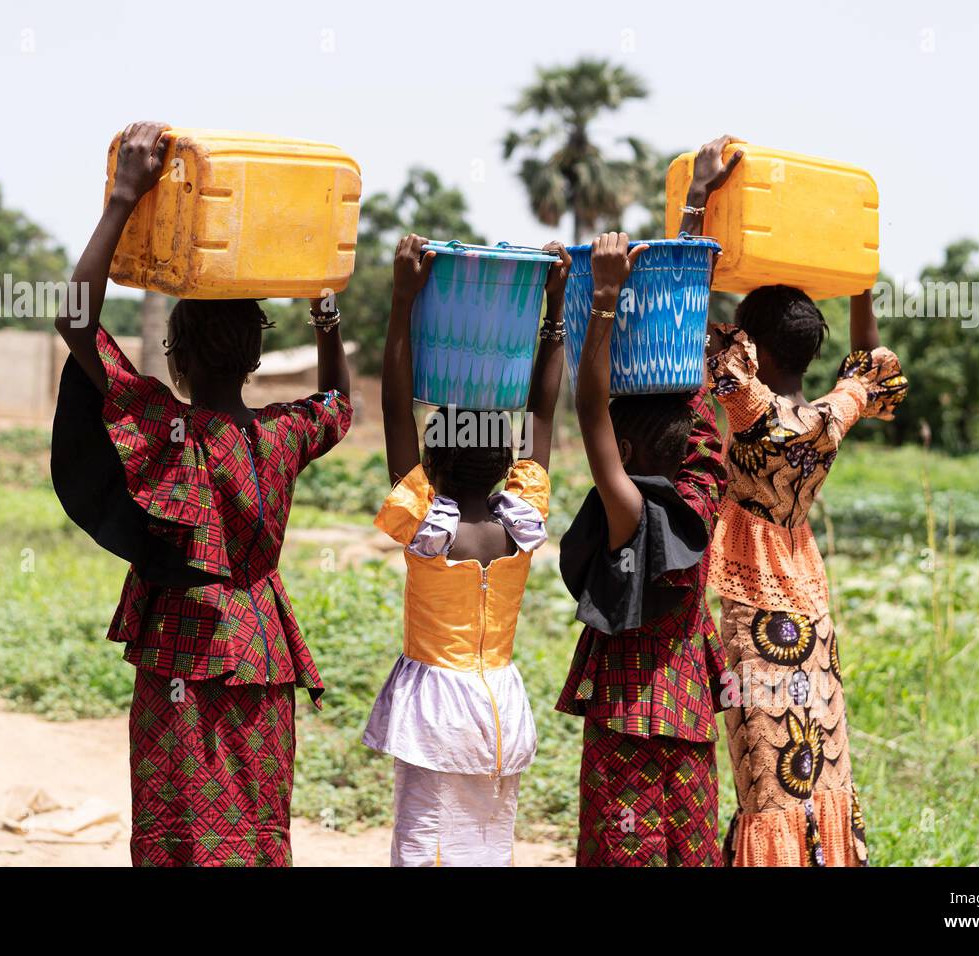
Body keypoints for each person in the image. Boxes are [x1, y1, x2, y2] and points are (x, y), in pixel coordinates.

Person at [50, 121, 353, 867]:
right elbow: (341, 403)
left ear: (174, 353)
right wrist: (325, 315)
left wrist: (124, 198)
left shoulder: (161, 425)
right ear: (255, 353)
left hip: (179, 649)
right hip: (260, 652)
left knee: (177, 821)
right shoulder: (285, 433)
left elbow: (75, 320)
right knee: (252, 827)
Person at [688, 134, 909, 866]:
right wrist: (858, 276)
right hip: (811, 614)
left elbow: (686, 306)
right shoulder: (828, 418)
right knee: (817, 769)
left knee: (766, 784)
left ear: (751, 350)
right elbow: (869, 367)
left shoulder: (751, 410)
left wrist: (698, 201)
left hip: (755, 618)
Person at [362, 233, 569, 866]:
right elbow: (542, 407)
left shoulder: (426, 521)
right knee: (487, 843)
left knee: (426, 844)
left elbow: (395, 403)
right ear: (508, 461)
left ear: (430, 460)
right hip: (499, 706)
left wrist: (404, 300)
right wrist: (553, 312)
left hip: (435, 712)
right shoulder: (521, 518)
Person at [556, 231, 729, 867]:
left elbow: (589, 407)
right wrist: (685, 271)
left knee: (620, 851)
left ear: (622, 458)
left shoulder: (629, 512)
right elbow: (699, 403)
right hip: (686, 713)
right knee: (689, 851)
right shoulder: (704, 492)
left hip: (627, 717)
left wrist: (603, 301)